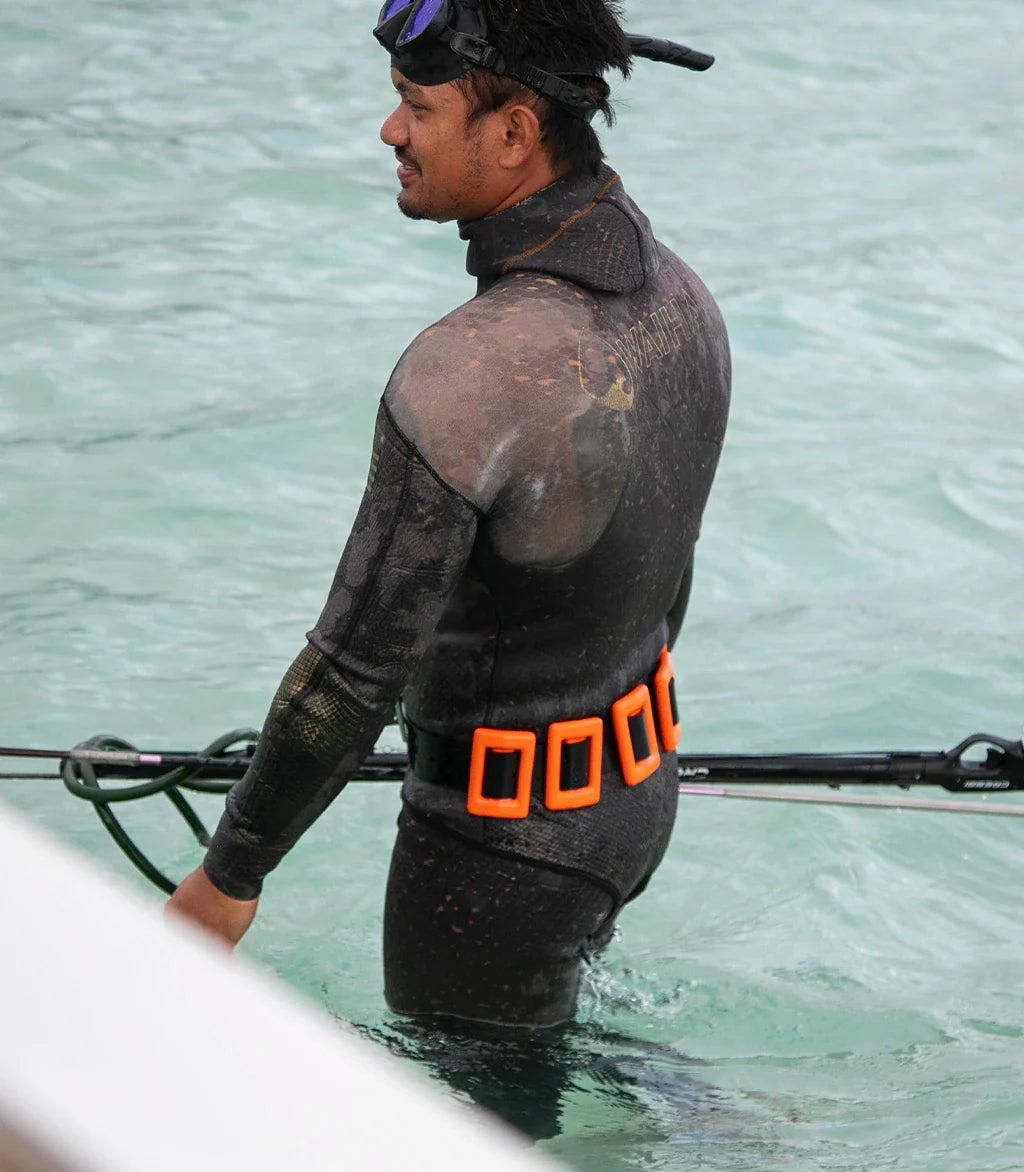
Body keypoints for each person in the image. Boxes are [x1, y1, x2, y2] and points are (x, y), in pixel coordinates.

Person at [168, 0, 731, 1030]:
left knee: (470, 1120)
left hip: (491, 861)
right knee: (545, 1062)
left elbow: (350, 671)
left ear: (514, 130)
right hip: (629, 801)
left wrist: (227, 877)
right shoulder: (680, 299)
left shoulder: (471, 373)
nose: (391, 133)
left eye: (414, 107)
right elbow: (657, 572)